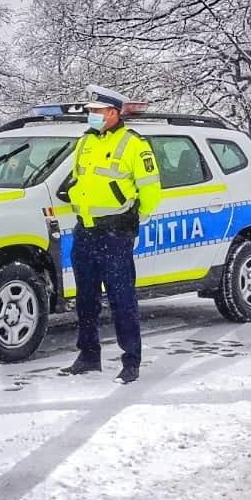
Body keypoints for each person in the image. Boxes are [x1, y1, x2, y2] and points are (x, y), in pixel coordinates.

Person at [60, 84, 162, 383]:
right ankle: (88, 355)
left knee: (122, 298)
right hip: (86, 230)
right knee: (85, 298)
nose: (91, 116)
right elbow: (79, 179)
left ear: (113, 113)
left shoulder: (134, 144)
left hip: (115, 232)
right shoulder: (86, 142)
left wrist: (132, 220)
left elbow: (152, 190)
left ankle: (131, 361)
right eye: (90, 112)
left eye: (97, 111)